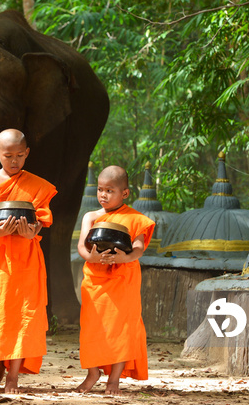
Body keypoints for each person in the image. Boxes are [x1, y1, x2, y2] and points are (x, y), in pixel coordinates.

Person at [0, 128, 57, 394]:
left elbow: (39, 223)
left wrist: (30, 232)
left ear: (27, 154)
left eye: (19, 156)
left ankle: (13, 376)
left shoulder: (37, 184)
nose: (14, 161)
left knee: (23, 316)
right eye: (8, 155)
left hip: (25, 256)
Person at [75, 165, 155, 395]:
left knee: (122, 329)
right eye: (100, 189)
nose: (103, 195)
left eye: (110, 190)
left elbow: (139, 248)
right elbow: (82, 246)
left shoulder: (135, 218)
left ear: (125, 193)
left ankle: (114, 380)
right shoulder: (90, 217)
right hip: (95, 278)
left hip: (124, 278)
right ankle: (93, 373)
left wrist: (125, 257)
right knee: (92, 328)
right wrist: (93, 257)